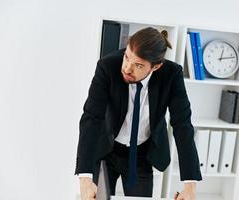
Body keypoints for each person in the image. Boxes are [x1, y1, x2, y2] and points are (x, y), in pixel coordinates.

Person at [75, 27, 202, 200]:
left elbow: (182, 125)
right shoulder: (107, 66)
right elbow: (91, 118)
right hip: (106, 150)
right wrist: (85, 179)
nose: (127, 68)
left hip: (141, 155)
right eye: (127, 57)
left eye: (138, 65)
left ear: (156, 67)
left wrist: (190, 185)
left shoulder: (172, 75)